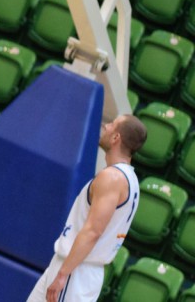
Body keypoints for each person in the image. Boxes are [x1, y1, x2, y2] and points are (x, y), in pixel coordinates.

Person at [27, 115, 147, 302]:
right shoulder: (130, 179)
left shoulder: (112, 178)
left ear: (116, 138)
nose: (106, 127)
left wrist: (63, 274)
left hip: (75, 271)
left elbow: (93, 231)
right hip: (76, 268)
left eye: (111, 125)